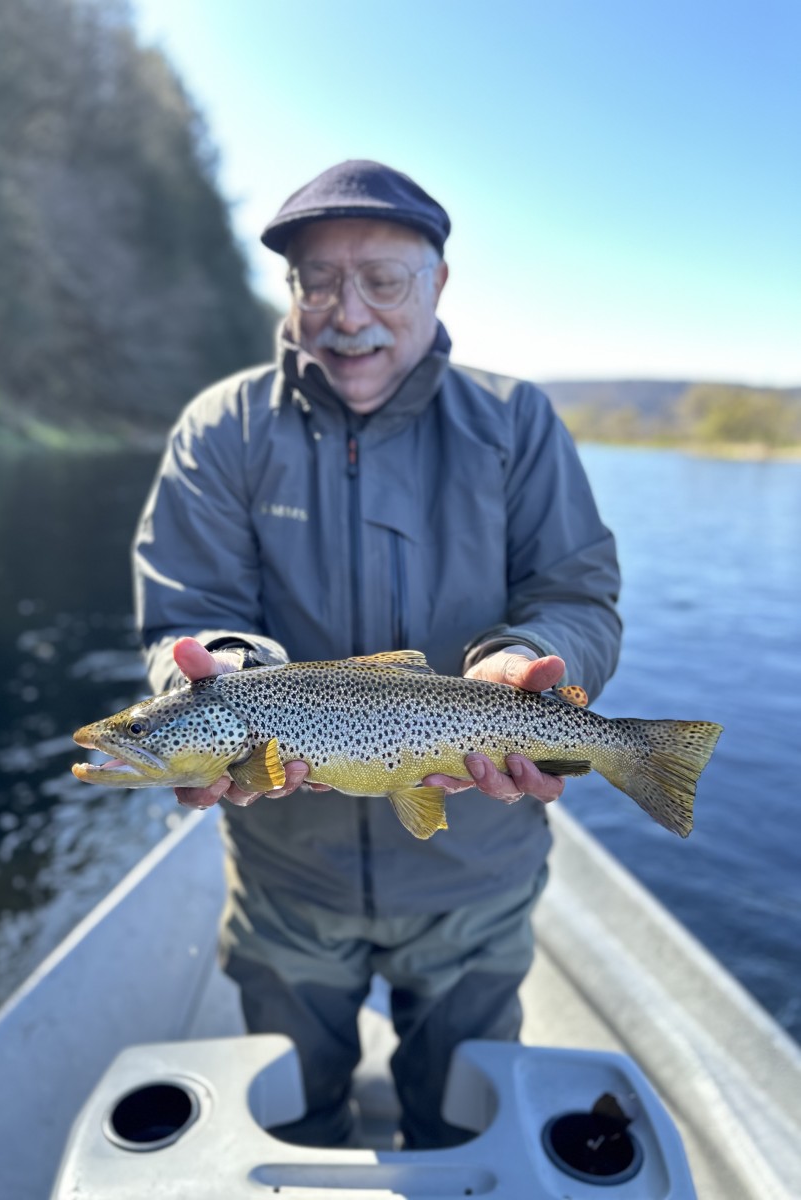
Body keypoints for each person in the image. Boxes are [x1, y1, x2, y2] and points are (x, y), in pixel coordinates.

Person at [132, 160, 621, 1150]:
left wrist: (530, 661)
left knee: (464, 1132)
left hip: (474, 881)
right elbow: (190, 613)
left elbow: (575, 596)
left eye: (383, 282)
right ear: (292, 291)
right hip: (285, 886)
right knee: (288, 1128)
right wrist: (221, 673)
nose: (347, 315)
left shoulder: (516, 425)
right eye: (319, 281)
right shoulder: (219, 433)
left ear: (439, 284)